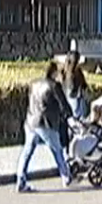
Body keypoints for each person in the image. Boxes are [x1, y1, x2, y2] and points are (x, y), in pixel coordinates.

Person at [16, 61, 74, 193]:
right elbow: (63, 104)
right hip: (46, 123)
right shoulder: (54, 86)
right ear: (54, 72)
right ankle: (66, 177)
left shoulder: (34, 83)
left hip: (31, 121)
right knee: (57, 150)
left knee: (27, 151)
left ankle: (20, 179)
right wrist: (69, 115)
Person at [59, 49, 90, 152]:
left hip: (70, 100)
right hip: (74, 99)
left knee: (71, 124)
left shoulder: (63, 70)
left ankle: (69, 147)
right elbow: (75, 88)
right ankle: (74, 147)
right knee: (76, 123)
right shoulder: (72, 73)